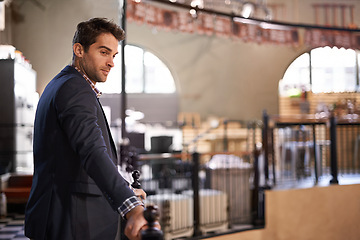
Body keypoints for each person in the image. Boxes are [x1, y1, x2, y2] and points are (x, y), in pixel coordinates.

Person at [25, 18, 149, 240]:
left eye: (113, 55)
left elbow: (75, 160)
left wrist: (124, 189)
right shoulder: (74, 88)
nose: (111, 62)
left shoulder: (64, 84)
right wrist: (132, 207)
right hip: (71, 220)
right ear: (79, 50)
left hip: (65, 217)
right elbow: (91, 151)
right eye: (104, 52)